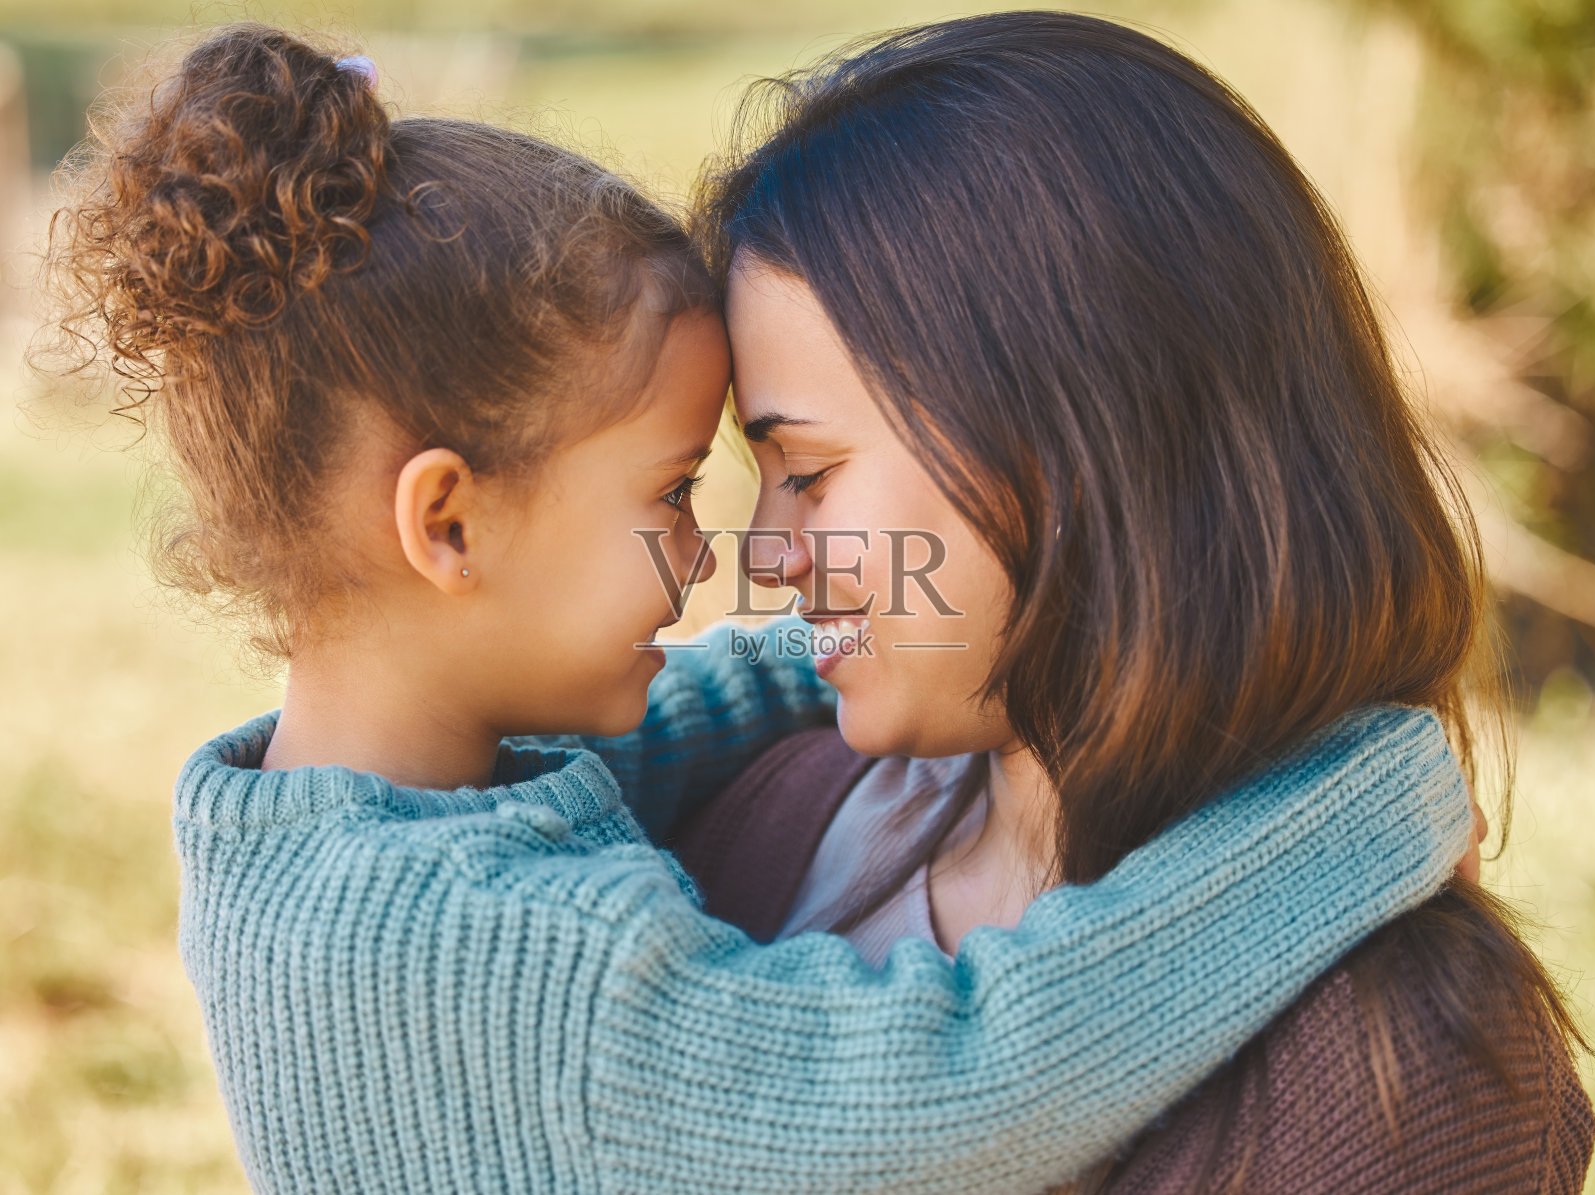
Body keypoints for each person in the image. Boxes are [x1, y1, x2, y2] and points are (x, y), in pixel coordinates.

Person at [39, 22, 1481, 1195]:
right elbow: (958, 1087)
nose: (732, 549)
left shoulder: (354, 812)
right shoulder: (504, 965)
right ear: (448, 519)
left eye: (797, 471)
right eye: (678, 489)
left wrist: (949, 629)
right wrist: (1362, 810)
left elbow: (707, 698)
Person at [681, 11, 1595, 1192]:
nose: (767, 552)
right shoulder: (754, 827)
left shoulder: (1398, 1054)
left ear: (1073, 447)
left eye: (806, 474)